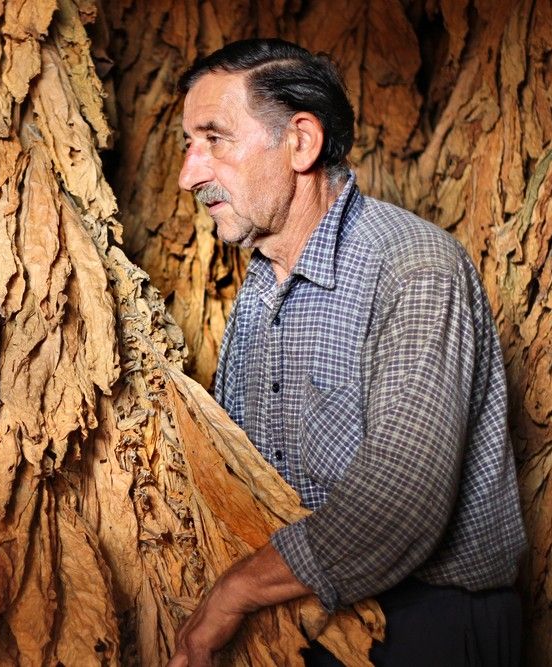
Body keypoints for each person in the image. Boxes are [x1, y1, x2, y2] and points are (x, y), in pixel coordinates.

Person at [168, 38, 527, 666]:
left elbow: (397, 509)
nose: (189, 174)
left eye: (214, 140)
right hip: (304, 624)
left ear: (301, 142)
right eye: (186, 146)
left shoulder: (413, 269)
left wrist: (233, 595)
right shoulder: (259, 286)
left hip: (425, 630)